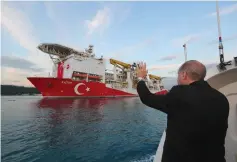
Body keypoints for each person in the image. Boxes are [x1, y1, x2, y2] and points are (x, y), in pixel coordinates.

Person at [136, 60, 229, 162]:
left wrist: (141, 78)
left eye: (178, 75)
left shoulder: (179, 94)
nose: (177, 78)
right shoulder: (221, 98)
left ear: (184, 74)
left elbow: (147, 98)